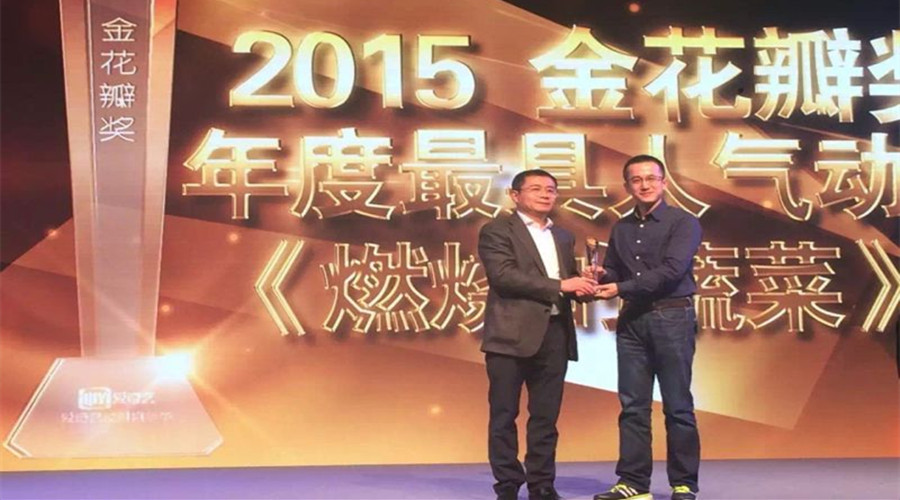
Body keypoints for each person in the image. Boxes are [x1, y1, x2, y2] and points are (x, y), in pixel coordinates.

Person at [478, 169, 597, 500]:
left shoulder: (563, 236)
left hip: (555, 334)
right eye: (536, 189)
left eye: (551, 189)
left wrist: (586, 285)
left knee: (546, 417)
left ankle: (542, 484)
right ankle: (507, 484)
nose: (546, 194)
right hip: (509, 336)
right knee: (504, 415)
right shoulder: (497, 230)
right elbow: (503, 277)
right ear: (515, 195)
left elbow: (566, 283)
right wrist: (563, 284)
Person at [591, 155, 702, 500]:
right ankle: (634, 483)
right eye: (636, 180)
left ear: (664, 182)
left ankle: (684, 483)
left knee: (677, 405)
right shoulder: (621, 227)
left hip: (672, 317)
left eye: (651, 178)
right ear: (627, 186)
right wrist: (601, 275)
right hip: (632, 321)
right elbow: (615, 269)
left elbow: (671, 271)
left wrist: (620, 287)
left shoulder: (683, 222)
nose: (644, 185)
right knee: (633, 406)